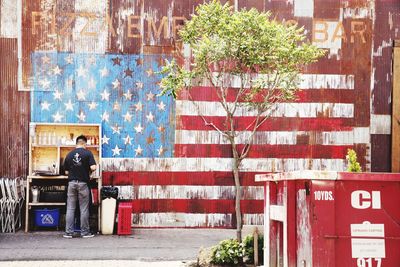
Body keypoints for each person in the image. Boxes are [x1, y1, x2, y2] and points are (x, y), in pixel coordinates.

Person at [63, 135, 96, 238]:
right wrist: (88, 170)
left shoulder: (69, 154)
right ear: (84, 144)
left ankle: (69, 233)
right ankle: (85, 233)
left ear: (76, 143)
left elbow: (66, 171)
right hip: (83, 183)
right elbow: (93, 167)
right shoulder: (88, 153)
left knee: (70, 208)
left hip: (71, 183)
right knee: (84, 208)